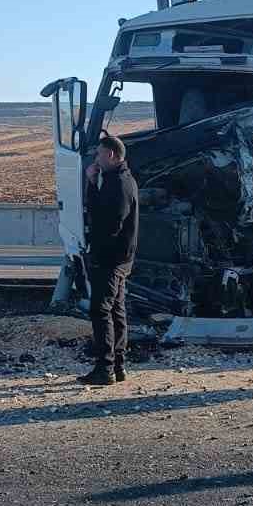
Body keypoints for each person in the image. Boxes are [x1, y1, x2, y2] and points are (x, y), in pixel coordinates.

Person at [78, 133, 139, 386]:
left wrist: (96, 251)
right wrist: (94, 183)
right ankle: (119, 366)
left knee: (100, 310)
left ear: (111, 155)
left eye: (99, 154)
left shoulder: (118, 184)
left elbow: (106, 221)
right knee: (116, 310)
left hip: (110, 258)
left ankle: (105, 369)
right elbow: (102, 214)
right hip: (120, 257)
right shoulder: (121, 180)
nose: (96, 159)